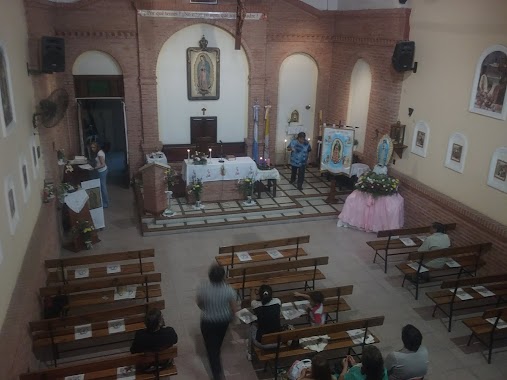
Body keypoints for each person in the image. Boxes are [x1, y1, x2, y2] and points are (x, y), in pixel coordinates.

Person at [196, 264, 237, 380]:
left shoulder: (203, 289)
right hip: (223, 321)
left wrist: (207, 309)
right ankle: (216, 350)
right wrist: (233, 319)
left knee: (211, 349)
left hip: (207, 322)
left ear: (210, 277)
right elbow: (234, 309)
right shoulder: (229, 290)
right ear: (223, 277)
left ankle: (217, 374)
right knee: (218, 341)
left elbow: (199, 304)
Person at [247, 284, 281, 360]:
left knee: (252, 325)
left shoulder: (256, 305)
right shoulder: (277, 302)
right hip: (278, 341)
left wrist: (252, 290)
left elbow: (252, 299)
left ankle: (249, 352)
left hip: (262, 343)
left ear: (259, 295)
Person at [90, 142, 109, 208]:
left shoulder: (99, 153)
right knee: (101, 186)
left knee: (103, 187)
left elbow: (103, 164)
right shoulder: (99, 152)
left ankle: (106, 203)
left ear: (97, 147)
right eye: (91, 147)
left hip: (102, 171)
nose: (92, 149)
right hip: (100, 171)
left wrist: (94, 168)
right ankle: (103, 202)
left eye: (94, 147)